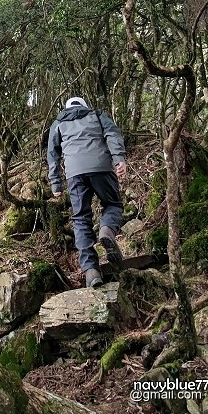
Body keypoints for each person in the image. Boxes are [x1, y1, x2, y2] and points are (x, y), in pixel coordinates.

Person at [47, 96, 127, 288]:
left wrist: (56, 184)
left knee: (81, 218)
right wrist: (119, 159)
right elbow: (112, 135)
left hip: (75, 174)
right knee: (113, 204)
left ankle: (91, 271)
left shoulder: (58, 124)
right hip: (101, 167)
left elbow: (52, 154)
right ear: (84, 106)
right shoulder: (97, 115)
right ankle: (106, 230)